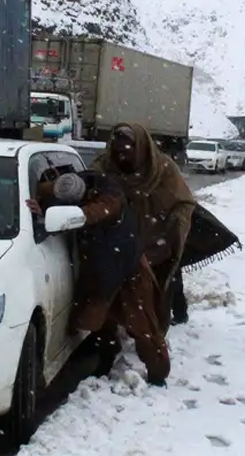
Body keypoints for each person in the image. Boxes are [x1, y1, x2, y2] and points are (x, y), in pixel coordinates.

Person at [27, 169, 172, 386]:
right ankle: (105, 360)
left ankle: (158, 374)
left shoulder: (109, 197)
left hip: (127, 269)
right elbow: (46, 190)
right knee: (102, 321)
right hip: (100, 269)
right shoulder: (69, 183)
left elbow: (95, 212)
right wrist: (42, 207)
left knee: (142, 325)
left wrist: (68, 216)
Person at [92, 123, 197, 334]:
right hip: (119, 243)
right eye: (118, 151)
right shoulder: (104, 167)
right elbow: (85, 191)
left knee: (160, 291)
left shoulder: (163, 169)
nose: (122, 157)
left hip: (157, 242)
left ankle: (156, 337)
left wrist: (172, 230)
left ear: (140, 147)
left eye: (127, 151)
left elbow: (184, 202)